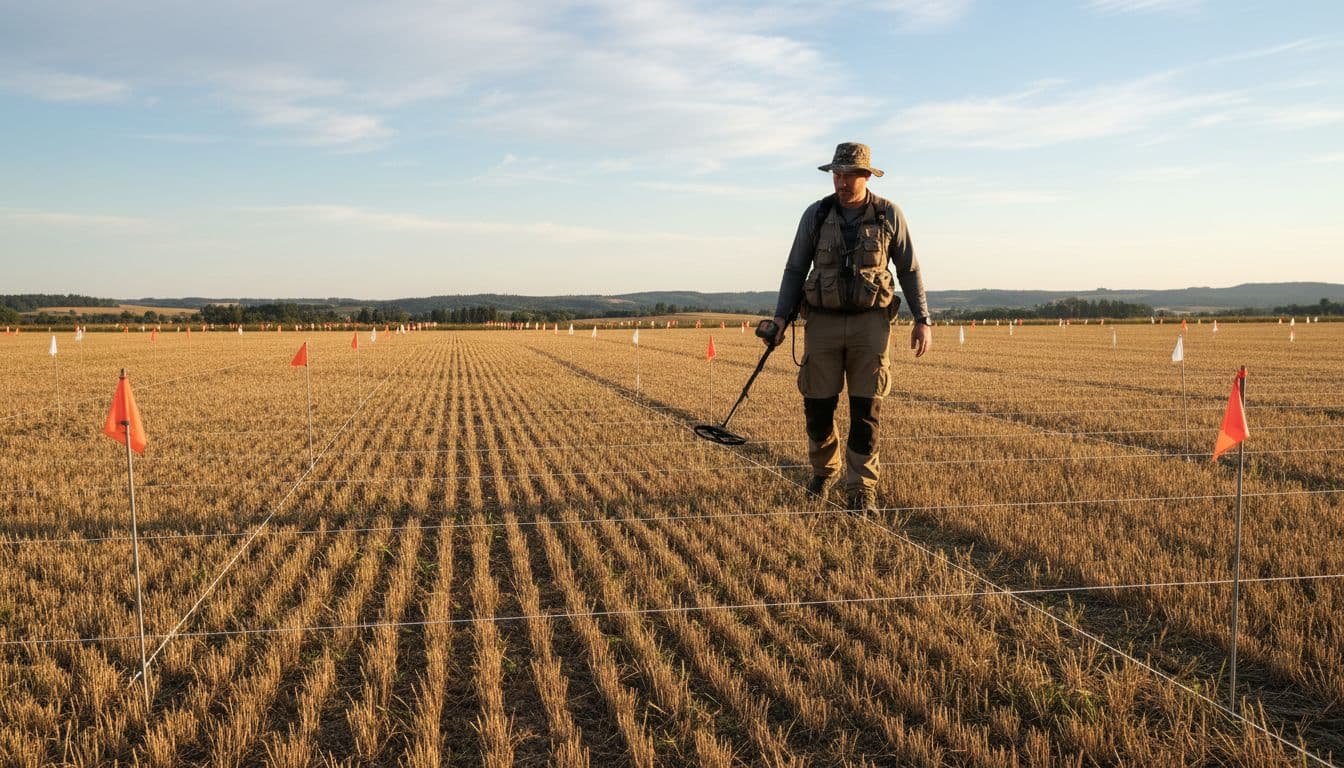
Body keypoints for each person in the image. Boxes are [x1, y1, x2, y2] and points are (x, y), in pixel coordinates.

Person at [766, 142, 931, 514]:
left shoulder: (889, 214)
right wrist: (780, 317)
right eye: (836, 174)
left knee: (866, 410)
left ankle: (860, 489)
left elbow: (909, 269)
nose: (841, 181)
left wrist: (923, 320)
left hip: (870, 325)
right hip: (821, 323)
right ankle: (825, 472)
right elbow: (795, 269)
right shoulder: (816, 214)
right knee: (817, 406)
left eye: (848, 175)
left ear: (866, 176)